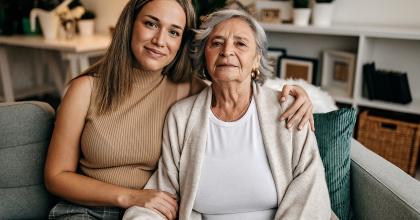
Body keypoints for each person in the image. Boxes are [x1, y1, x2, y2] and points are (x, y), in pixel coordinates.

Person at [44, 0, 315, 219]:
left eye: (174, 31)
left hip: (152, 211)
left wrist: (298, 94)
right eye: (151, 24)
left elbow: (233, 81)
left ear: (181, 42)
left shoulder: (187, 91)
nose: (160, 40)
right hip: (90, 209)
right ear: (129, 26)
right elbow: (56, 177)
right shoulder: (85, 90)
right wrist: (130, 197)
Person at [123, 9, 336, 220]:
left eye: (240, 43)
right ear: (204, 56)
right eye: (216, 43)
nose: (227, 51)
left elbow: (310, 191)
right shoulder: (181, 117)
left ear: (256, 59)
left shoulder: (288, 107)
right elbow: (164, 191)